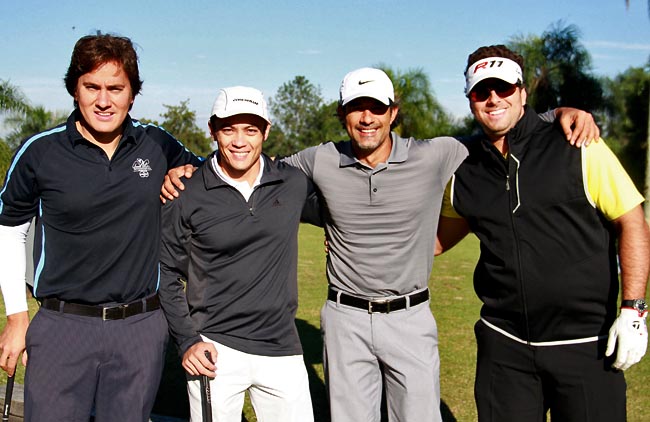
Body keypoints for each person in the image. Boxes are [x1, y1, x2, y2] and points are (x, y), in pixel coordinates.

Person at [162, 68, 599, 421]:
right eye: (356, 109)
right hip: (344, 318)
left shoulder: (436, 153)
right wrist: (189, 171)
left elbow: (497, 129)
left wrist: (558, 113)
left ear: (393, 113)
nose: (366, 118)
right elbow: (243, 162)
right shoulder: (318, 160)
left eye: (377, 108)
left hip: (410, 316)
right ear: (342, 115)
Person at [436, 44, 650, 422]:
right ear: (469, 98)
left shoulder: (577, 144)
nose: (492, 99)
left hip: (586, 346)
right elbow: (435, 241)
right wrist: (353, 240)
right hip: (505, 348)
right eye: (481, 91)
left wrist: (634, 311)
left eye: (503, 88)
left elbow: (631, 220)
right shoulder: (463, 167)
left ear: (522, 93)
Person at [0, 34, 203, 422]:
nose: (104, 100)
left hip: (140, 328)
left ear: (133, 94)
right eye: (92, 87)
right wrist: (15, 316)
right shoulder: (40, 151)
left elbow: (215, 174)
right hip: (63, 325)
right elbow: (9, 229)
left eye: (116, 88)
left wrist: (187, 170)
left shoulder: (156, 144)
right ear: (74, 90)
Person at [158, 86, 320, 422]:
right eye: (228, 129)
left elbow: (345, 211)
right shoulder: (185, 192)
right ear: (213, 130)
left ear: (266, 131)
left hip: (281, 347)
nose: (239, 141)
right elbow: (166, 273)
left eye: (250, 129)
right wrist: (187, 340)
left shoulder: (292, 183)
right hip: (214, 347)